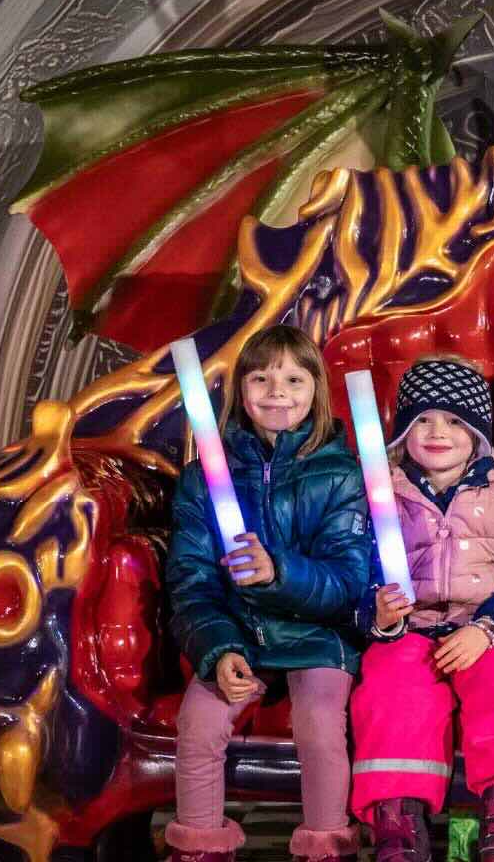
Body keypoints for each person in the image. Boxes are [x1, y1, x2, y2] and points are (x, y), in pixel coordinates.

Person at [164, 325, 372, 862]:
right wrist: (220, 649)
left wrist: (277, 571)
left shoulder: (342, 476)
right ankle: (201, 850)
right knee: (199, 725)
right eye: (261, 377)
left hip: (316, 634)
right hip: (239, 632)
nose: (277, 390)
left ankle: (326, 847)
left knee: (320, 727)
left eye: (294, 379)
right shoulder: (204, 479)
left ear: (316, 390)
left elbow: (347, 582)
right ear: (241, 389)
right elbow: (191, 582)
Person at [348, 355, 494, 862]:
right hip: (408, 630)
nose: (437, 432)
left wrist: (489, 629)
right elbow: (353, 568)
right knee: (391, 694)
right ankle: (398, 822)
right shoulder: (380, 491)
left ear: (478, 434)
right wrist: (377, 614)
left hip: (484, 629)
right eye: (422, 420)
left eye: (453, 421)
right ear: (403, 432)